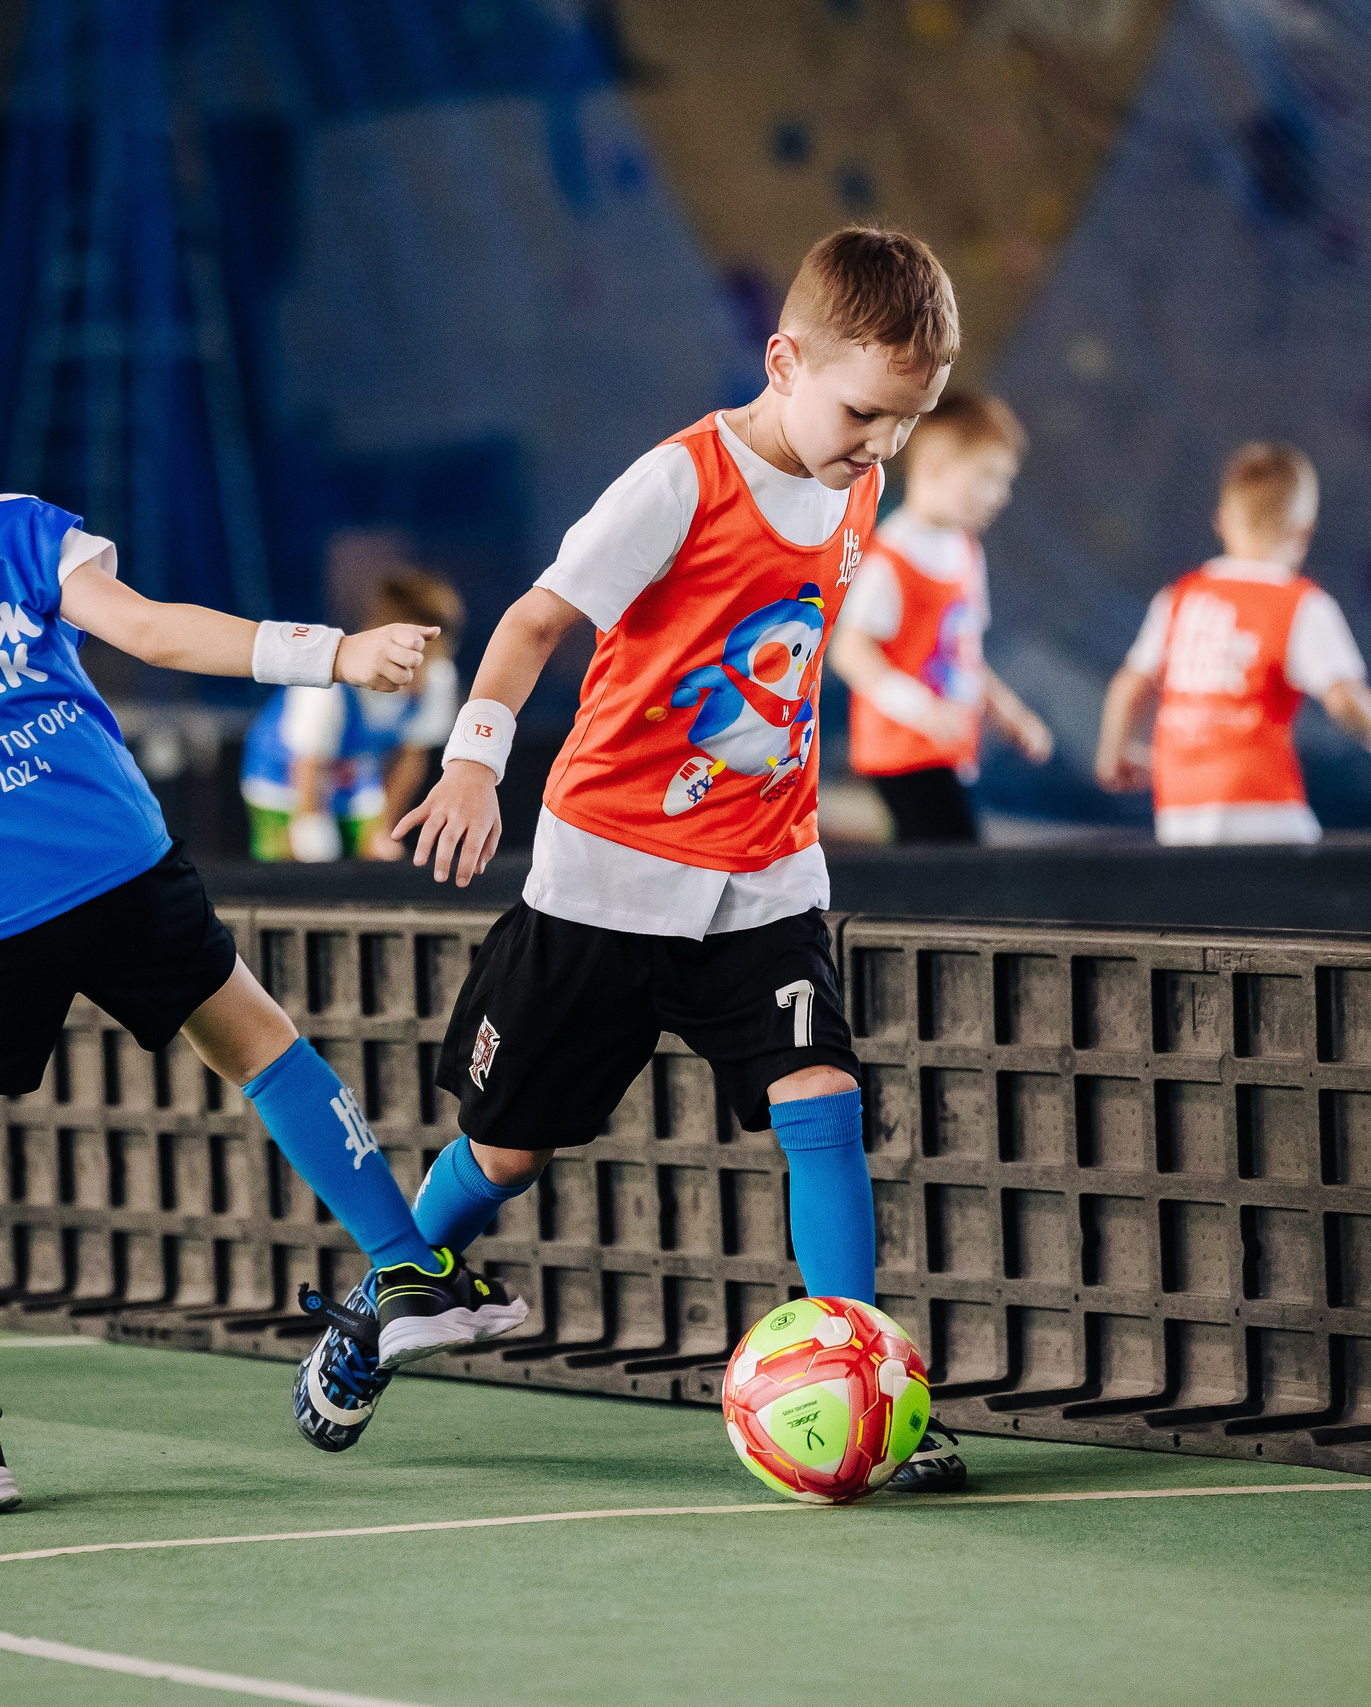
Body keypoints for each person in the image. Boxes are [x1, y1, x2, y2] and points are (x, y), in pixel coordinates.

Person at [0, 307, 525, 1517]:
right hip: (117, 858)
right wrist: (333, 653)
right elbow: (159, 633)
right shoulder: (23, 531)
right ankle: (412, 1267)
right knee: (258, 1042)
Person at [293, 227, 968, 1495]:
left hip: (766, 879)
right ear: (784, 360)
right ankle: (377, 1310)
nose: (880, 446)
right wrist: (473, 763)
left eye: (906, 423)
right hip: (603, 877)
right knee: (505, 1155)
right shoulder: (678, 483)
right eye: (866, 413)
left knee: (821, 1102)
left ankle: (875, 1388)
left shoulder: (859, 482)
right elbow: (534, 620)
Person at [1093, 440, 1371, 842]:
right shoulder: (1299, 604)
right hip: (1262, 806)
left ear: (1222, 522)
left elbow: (1128, 687)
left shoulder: (1177, 599)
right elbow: (1346, 704)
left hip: (1179, 812)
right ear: (1305, 532)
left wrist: (1112, 755)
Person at [832, 391, 1052, 843]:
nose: (1002, 495)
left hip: (947, 749)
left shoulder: (967, 552)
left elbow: (963, 653)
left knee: (939, 871)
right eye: (988, 477)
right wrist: (921, 710)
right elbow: (851, 651)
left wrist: (1007, 711)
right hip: (902, 752)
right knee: (958, 866)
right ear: (935, 466)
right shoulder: (892, 555)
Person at [239, 569, 464, 861]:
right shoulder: (328, 684)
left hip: (353, 778)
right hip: (281, 780)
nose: (419, 676)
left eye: (430, 661)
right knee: (303, 867)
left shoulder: (438, 677)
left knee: (378, 862)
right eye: (415, 660)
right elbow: (306, 764)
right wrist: (309, 832)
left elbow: (412, 760)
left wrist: (384, 831)